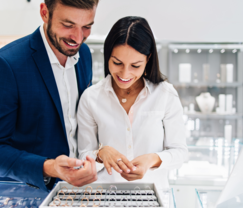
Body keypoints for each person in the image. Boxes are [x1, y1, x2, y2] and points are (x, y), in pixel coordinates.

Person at [0, 0, 99, 191]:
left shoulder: (83, 54)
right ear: (44, 13)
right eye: (67, 25)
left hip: (73, 194)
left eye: (86, 27)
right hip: (20, 195)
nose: (77, 37)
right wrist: (49, 168)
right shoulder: (6, 64)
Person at [77, 16, 188, 188]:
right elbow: (83, 155)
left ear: (148, 59)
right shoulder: (91, 98)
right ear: (108, 56)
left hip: (152, 197)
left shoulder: (165, 95)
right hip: (105, 196)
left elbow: (180, 153)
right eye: (117, 63)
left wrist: (153, 159)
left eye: (135, 66)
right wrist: (100, 154)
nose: (125, 74)